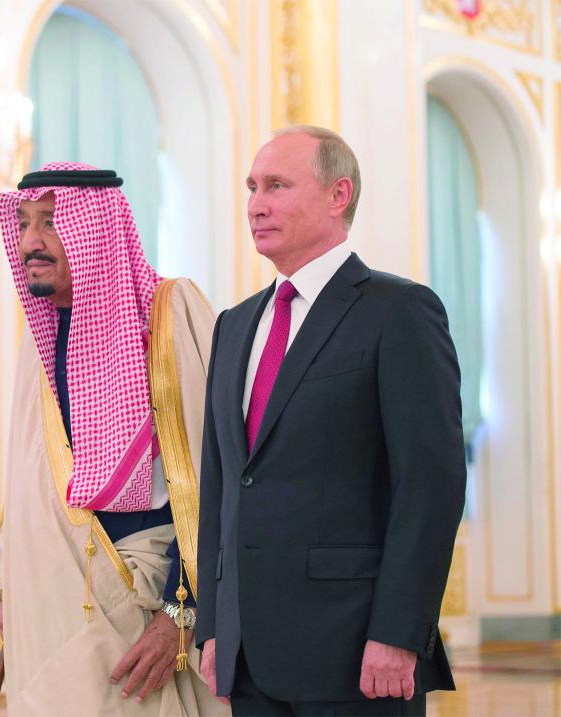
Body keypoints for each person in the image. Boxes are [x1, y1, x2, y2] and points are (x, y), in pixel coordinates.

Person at [195, 126, 466, 717]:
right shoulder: (234, 326)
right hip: (248, 656)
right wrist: (213, 626)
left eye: (276, 186)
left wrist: (398, 632)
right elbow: (220, 487)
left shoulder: (399, 311)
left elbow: (430, 486)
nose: (256, 204)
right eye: (251, 187)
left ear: (338, 195)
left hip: (357, 655)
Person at [0, 162, 226, 716]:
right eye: (23, 224)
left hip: (142, 607)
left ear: (94, 229)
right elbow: (29, 479)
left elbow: (214, 478)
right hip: (49, 602)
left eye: (51, 222)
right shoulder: (39, 337)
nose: (31, 241)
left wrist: (181, 612)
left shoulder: (168, 316)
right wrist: (9, 577)